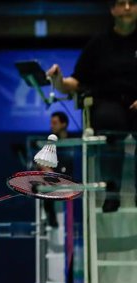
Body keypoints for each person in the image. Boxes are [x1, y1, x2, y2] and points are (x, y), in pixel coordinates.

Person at [47, 0, 137, 212]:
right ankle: (112, 190)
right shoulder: (98, 44)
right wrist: (58, 80)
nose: (126, 8)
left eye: (132, 3)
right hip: (109, 104)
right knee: (108, 120)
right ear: (112, 10)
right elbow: (75, 82)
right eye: (121, 3)